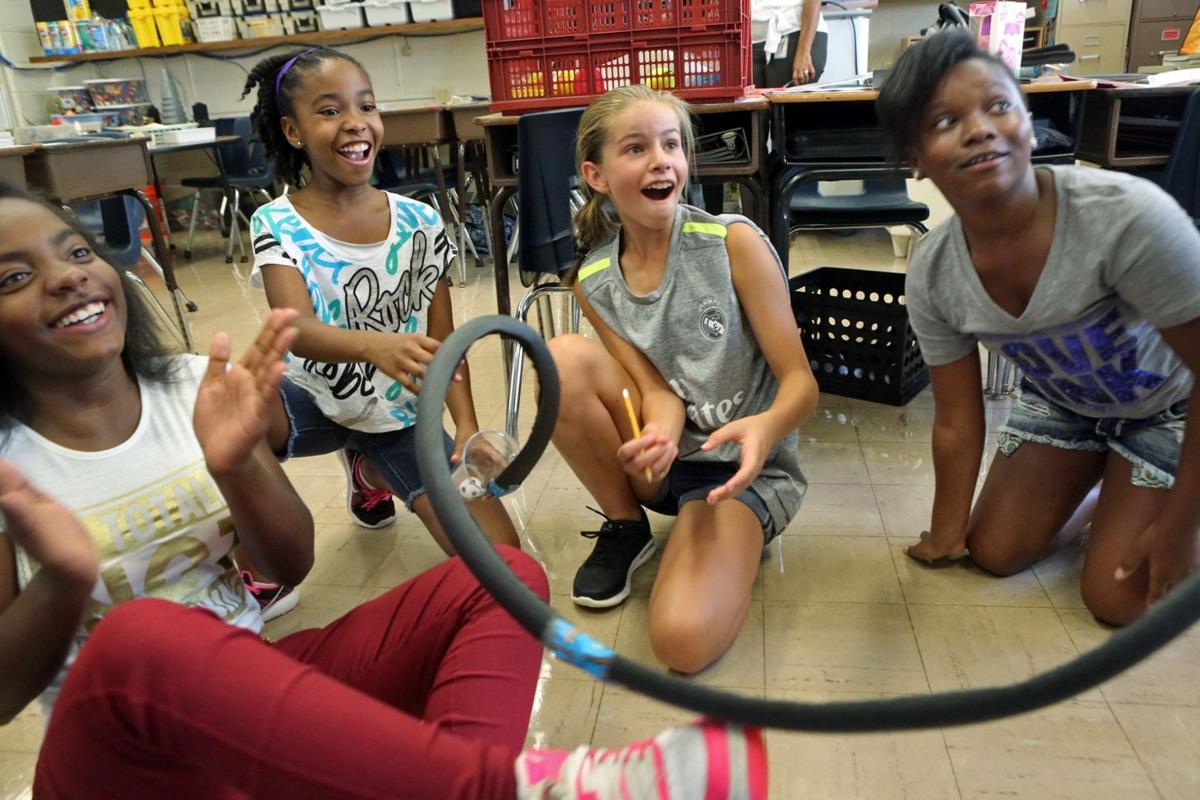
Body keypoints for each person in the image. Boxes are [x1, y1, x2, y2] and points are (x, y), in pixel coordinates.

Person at [0, 183, 767, 799]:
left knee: (505, 578)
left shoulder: (191, 388)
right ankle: (507, 788)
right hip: (122, 766)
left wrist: (238, 467)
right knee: (140, 639)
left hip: (251, 693)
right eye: (15, 275)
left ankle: (467, 786)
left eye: (75, 249)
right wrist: (62, 586)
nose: (69, 274)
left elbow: (289, 564)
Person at [875, 30, 1200, 625]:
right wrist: (947, 535)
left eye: (999, 105)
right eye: (945, 120)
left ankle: (1152, 490)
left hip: (1173, 408)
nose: (980, 128)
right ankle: (1112, 486)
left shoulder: (1125, 217)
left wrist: (1178, 526)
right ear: (913, 160)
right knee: (994, 553)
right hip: (1066, 404)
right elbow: (955, 416)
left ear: (1029, 119)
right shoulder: (935, 269)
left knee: (1117, 599)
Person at [550, 85, 818, 674]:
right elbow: (657, 391)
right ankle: (626, 524)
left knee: (680, 642)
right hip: (673, 467)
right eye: (636, 148)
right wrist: (661, 439)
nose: (660, 160)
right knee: (562, 357)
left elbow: (801, 382)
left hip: (747, 470)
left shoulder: (732, 244)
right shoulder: (592, 280)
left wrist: (765, 427)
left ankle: (723, 532)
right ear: (597, 176)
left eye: (671, 144)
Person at [242, 47, 517, 552]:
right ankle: (255, 557)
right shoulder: (276, 223)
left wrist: (468, 428)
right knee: (236, 417)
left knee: (502, 559)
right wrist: (374, 347)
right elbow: (296, 329)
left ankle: (370, 470)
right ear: (293, 131)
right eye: (330, 111)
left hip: (399, 417)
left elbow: (443, 340)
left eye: (366, 107)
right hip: (313, 400)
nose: (355, 123)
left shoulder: (420, 222)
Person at [751, 0, 828, 87]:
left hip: (795, 30)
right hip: (750, 36)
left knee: (787, 98)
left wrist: (804, 52)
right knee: (751, 99)